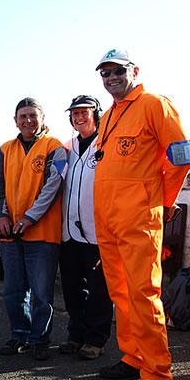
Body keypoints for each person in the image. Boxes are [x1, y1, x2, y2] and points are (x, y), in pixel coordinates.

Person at [92, 48, 190, 380]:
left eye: (117, 70)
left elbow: (182, 155)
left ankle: (157, 374)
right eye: (104, 73)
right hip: (107, 219)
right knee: (120, 293)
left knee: (143, 294)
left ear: (133, 70)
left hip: (139, 219)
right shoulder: (109, 116)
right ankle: (133, 357)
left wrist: (163, 202)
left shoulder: (153, 104)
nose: (111, 78)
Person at [0, 97, 66, 360]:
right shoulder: (5, 149)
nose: (28, 120)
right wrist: (1, 216)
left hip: (42, 234)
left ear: (42, 118)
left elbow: (54, 185)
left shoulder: (55, 147)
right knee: (13, 290)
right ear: (15, 120)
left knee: (41, 293)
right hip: (11, 234)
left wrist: (30, 218)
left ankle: (40, 339)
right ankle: (19, 335)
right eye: (22, 116)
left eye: (33, 116)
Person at [59, 95, 112, 360]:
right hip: (68, 232)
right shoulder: (66, 148)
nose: (79, 117)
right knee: (71, 287)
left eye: (84, 112)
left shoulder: (107, 144)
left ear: (96, 114)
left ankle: (96, 338)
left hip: (96, 232)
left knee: (98, 290)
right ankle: (75, 334)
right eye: (75, 113)